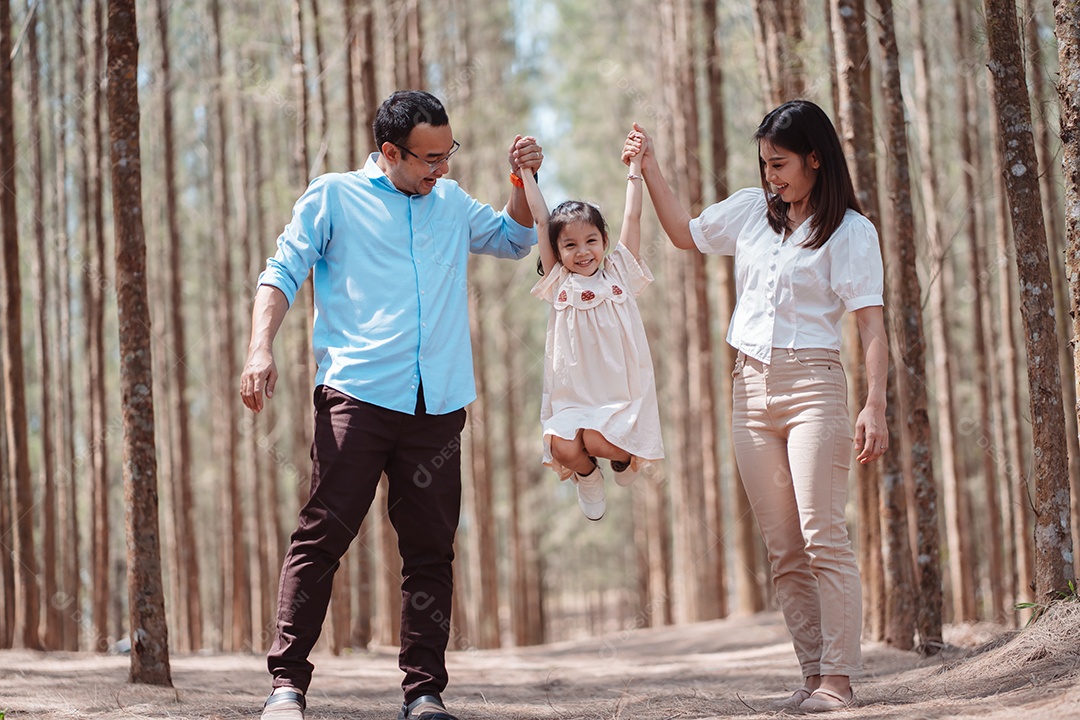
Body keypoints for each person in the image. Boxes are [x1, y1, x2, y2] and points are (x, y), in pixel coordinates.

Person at [239, 90, 544, 720]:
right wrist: (259, 349)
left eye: (448, 153)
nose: (443, 168)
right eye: (430, 158)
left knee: (430, 550)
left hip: (438, 408)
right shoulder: (333, 196)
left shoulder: (451, 203)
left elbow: (516, 239)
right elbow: (281, 270)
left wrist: (522, 180)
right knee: (322, 537)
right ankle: (286, 687)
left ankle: (424, 692)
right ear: (389, 152)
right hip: (357, 397)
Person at [623, 100, 887, 712]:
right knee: (785, 547)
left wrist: (874, 404)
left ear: (815, 159)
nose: (772, 175)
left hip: (814, 389)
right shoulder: (750, 212)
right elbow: (685, 235)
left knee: (824, 536)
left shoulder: (851, 231)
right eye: (765, 164)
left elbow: (872, 327)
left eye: (781, 163)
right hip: (749, 392)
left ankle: (840, 682)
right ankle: (813, 674)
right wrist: (652, 166)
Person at [520, 138, 664, 521]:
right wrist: (525, 173)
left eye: (591, 241)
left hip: (616, 392)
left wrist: (635, 168)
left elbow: (632, 218)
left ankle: (625, 459)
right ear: (557, 250)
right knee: (563, 447)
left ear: (603, 241)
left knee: (598, 440)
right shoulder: (559, 283)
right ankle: (587, 475)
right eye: (569, 245)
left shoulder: (619, 273)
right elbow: (539, 217)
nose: (582, 251)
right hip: (573, 394)